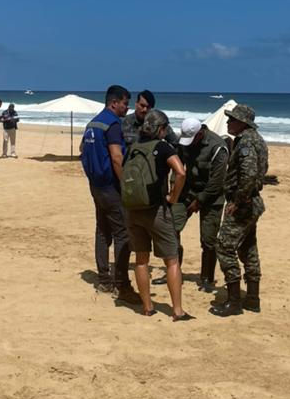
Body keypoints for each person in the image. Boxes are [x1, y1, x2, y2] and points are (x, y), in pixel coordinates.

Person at [122, 109, 192, 321]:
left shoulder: (134, 147)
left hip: (134, 209)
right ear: (161, 128)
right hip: (156, 210)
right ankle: (177, 310)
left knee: (141, 260)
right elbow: (180, 172)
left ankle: (147, 307)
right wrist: (173, 197)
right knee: (171, 260)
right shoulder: (162, 147)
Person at [210, 103, 269, 317]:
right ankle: (252, 298)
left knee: (224, 246)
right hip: (252, 203)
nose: (228, 122)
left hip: (244, 204)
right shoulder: (256, 140)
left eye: (231, 120)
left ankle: (234, 301)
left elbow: (249, 174)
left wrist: (237, 200)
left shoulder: (246, 141)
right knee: (248, 248)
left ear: (242, 123)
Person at [79, 85, 137, 301]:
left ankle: (104, 279)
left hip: (95, 185)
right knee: (122, 233)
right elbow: (116, 157)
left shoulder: (92, 123)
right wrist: (126, 185)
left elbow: (82, 150)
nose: (127, 107)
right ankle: (121, 283)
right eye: (124, 103)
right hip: (111, 186)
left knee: (103, 231)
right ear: (114, 103)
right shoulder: (112, 124)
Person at [172, 115, 228, 291]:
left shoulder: (218, 147)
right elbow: (178, 166)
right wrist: (174, 189)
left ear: (200, 134)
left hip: (212, 197)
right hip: (188, 191)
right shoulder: (184, 143)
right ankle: (174, 271)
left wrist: (199, 201)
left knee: (208, 240)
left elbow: (217, 181)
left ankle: (207, 278)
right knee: (172, 228)